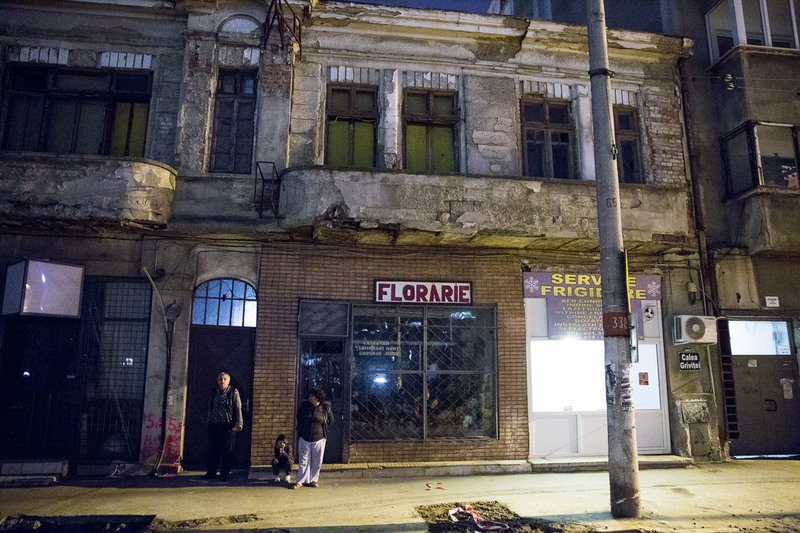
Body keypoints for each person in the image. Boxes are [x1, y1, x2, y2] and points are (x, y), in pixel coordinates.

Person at [202, 372, 243, 481]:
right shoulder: (214, 392)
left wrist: (239, 423)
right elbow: (210, 406)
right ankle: (211, 473)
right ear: (217, 381)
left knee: (227, 451)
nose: (222, 381)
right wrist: (209, 419)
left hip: (227, 425)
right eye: (220, 379)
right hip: (214, 424)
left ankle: (224, 474)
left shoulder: (233, 392)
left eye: (225, 379)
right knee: (213, 450)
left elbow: (238, 407)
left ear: (228, 381)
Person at [294, 387, 333, 488]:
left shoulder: (325, 408)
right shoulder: (304, 406)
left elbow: (330, 421)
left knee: (317, 460)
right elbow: (299, 417)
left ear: (317, 397)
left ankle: (314, 480)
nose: (310, 397)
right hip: (304, 437)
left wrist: (323, 431)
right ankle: (300, 480)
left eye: (312, 395)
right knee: (303, 460)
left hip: (319, 438)